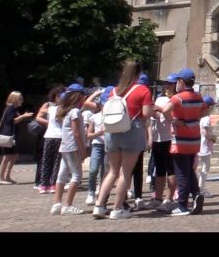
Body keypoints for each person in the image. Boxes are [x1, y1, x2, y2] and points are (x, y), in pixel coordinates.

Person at [92, 60, 154, 220]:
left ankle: (99, 205)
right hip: (132, 130)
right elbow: (146, 114)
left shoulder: (114, 91)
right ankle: (117, 208)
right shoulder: (143, 90)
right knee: (125, 173)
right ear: (139, 74)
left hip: (113, 131)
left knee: (112, 172)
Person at [160, 67, 209, 216]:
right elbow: (205, 111)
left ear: (180, 82)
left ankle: (182, 204)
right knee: (189, 170)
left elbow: (165, 110)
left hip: (180, 140)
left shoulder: (177, 98)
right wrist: (193, 119)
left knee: (181, 172)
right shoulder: (198, 96)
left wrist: (175, 121)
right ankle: (196, 194)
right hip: (194, 139)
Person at [49, 84, 89, 215]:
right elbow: (76, 132)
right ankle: (68, 205)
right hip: (73, 147)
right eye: (83, 96)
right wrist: (83, 149)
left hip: (65, 146)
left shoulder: (65, 111)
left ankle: (57, 203)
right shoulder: (75, 112)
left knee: (62, 175)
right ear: (79, 96)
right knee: (77, 176)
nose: (85, 98)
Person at [149, 73, 178, 210]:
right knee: (159, 170)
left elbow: (173, 119)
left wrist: (161, 110)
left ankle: (169, 198)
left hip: (170, 138)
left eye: (170, 84)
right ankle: (158, 197)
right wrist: (153, 111)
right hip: (157, 138)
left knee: (171, 170)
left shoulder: (176, 100)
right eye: (166, 83)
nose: (167, 86)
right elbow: (153, 117)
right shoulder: (160, 98)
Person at [0, 91, 34, 184]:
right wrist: (23, 116)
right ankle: (1, 178)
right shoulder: (10, 108)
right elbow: (11, 121)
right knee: (7, 156)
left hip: (11, 135)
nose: (21, 100)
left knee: (14, 155)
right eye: (19, 98)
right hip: (8, 135)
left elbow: (15, 121)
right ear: (14, 99)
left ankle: (7, 176)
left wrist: (22, 116)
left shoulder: (14, 109)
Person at [36, 86, 65, 193]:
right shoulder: (49, 105)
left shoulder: (62, 107)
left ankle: (52, 184)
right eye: (58, 96)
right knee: (47, 160)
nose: (60, 98)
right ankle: (44, 184)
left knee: (56, 161)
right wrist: (49, 123)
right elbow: (38, 117)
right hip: (50, 134)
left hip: (58, 135)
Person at [196, 95, 217, 200]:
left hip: (197, 145)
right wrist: (213, 137)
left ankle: (197, 188)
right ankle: (200, 189)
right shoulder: (206, 118)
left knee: (197, 168)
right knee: (205, 168)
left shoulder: (198, 117)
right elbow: (205, 133)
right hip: (204, 147)